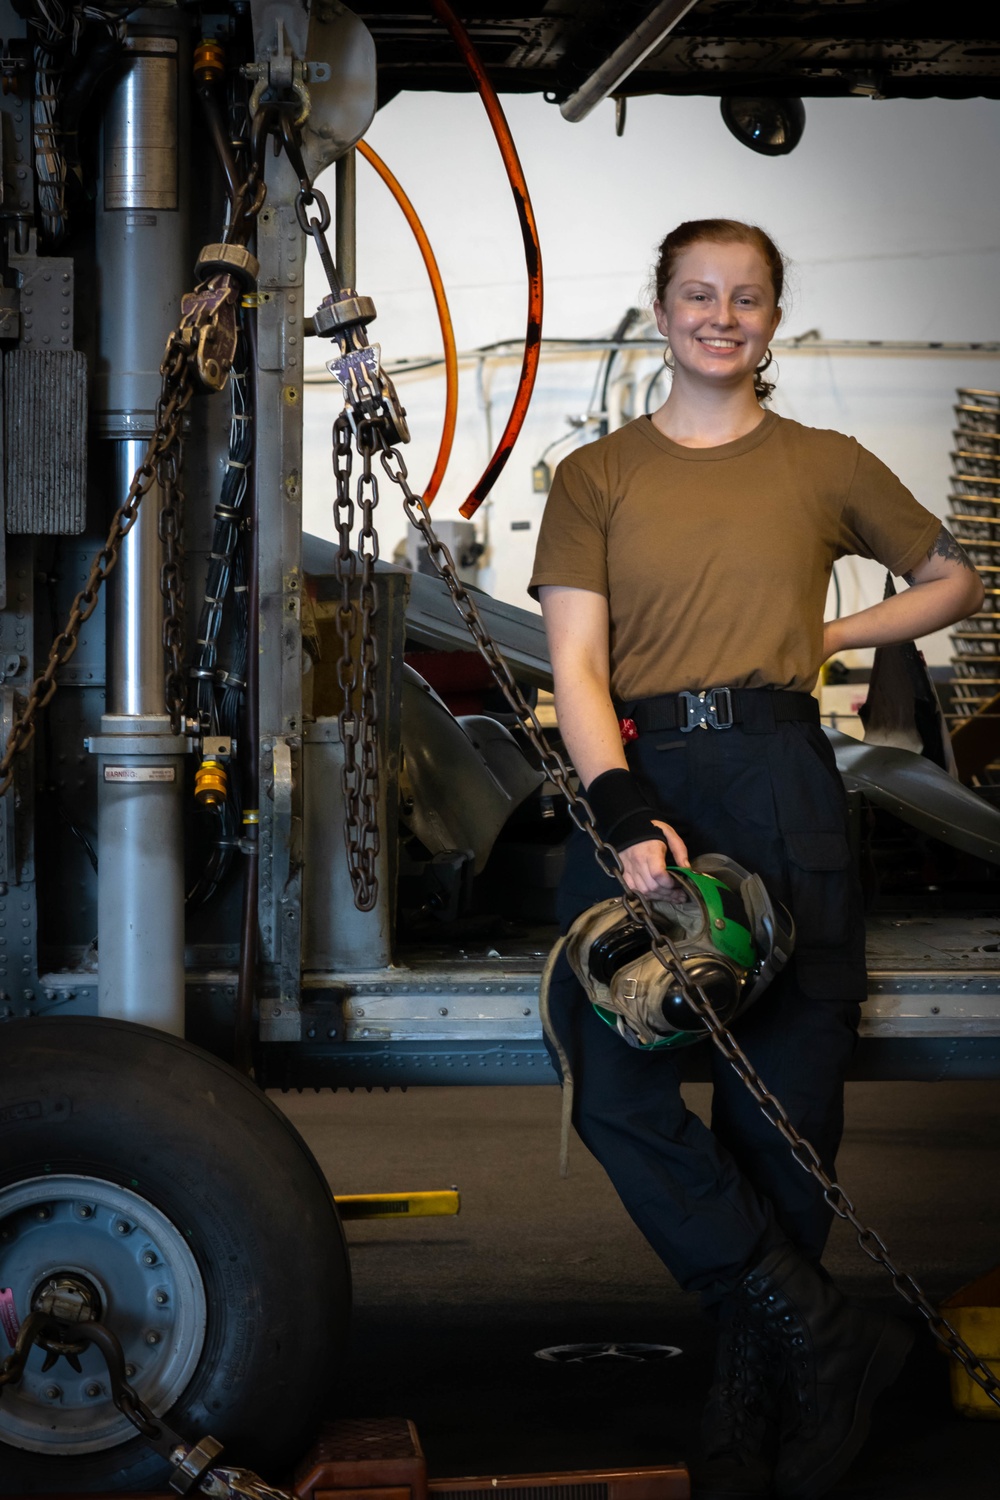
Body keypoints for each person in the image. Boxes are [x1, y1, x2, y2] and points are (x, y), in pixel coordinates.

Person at [528, 218, 984, 1500]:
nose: (719, 316)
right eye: (696, 294)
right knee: (614, 1083)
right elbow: (573, 664)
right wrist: (621, 808)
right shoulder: (596, 476)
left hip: (780, 780)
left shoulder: (825, 462)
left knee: (784, 1106)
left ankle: (759, 1384)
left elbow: (952, 580)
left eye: (746, 298)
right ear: (662, 307)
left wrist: (824, 626)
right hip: (647, 784)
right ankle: (813, 1325)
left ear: (775, 318)